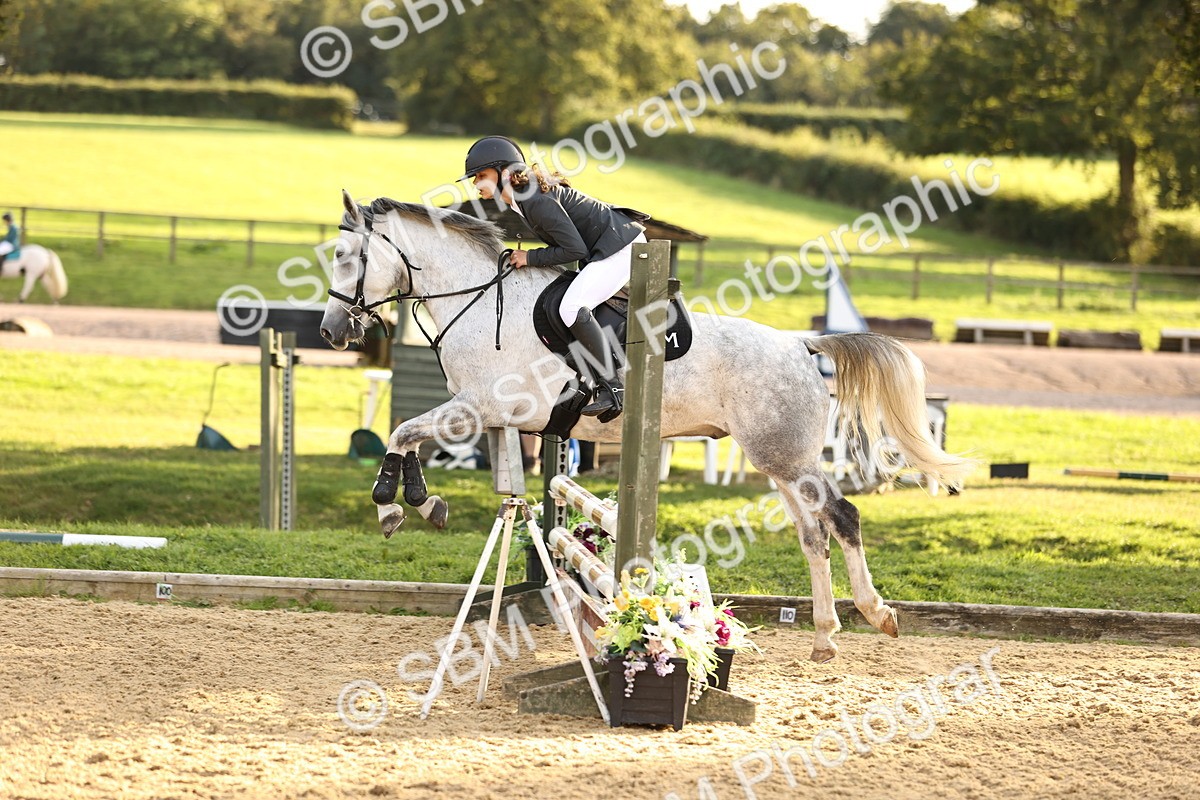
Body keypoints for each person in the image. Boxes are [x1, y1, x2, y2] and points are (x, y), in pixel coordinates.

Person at [459, 136, 648, 422]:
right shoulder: (520, 201)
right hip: (606, 247)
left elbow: (574, 249)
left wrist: (530, 258)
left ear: (505, 173)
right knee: (565, 303)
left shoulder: (532, 199)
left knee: (570, 307)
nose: (476, 183)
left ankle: (615, 385)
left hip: (621, 247)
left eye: (481, 175)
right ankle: (589, 373)